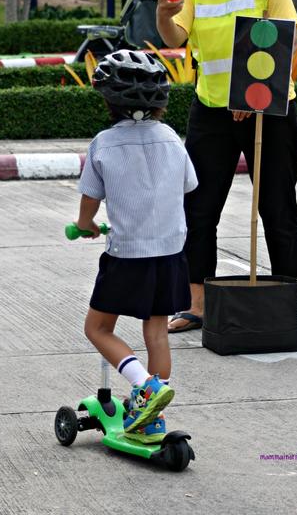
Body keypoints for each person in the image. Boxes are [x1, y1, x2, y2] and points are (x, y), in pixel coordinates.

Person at [156, 0, 297, 333]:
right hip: (211, 108)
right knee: (198, 206)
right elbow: (173, 37)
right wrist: (165, 12)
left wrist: (250, 93)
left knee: (276, 204)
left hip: (268, 105)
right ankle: (196, 303)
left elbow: (284, 32)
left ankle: (285, 298)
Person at [73, 49, 197, 442]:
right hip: (171, 254)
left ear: (108, 99)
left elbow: (88, 205)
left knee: (98, 327)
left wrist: (86, 226)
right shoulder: (172, 139)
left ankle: (145, 387)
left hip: (128, 256)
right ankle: (150, 419)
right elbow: (188, 185)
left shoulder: (104, 144)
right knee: (156, 332)